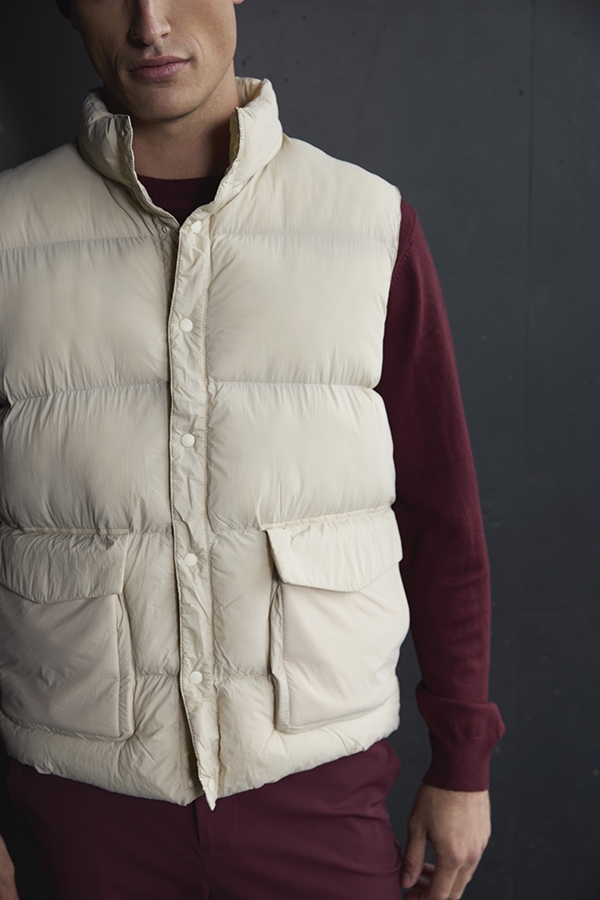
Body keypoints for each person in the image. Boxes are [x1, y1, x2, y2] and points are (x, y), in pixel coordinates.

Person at [0, 0, 505, 897]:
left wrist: (463, 759)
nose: (150, 23)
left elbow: (442, 517)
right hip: (83, 805)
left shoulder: (368, 225)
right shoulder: (8, 235)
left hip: (319, 791)